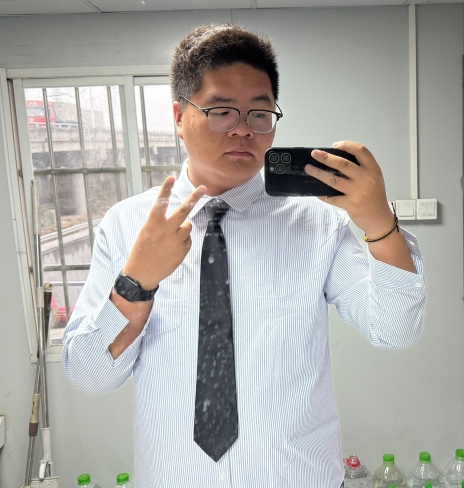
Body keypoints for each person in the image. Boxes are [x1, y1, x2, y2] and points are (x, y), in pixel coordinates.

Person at [62, 23, 426, 487]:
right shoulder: (126, 225)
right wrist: (136, 281)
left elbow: (395, 330)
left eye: (259, 112)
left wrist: (380, 224)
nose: (242, 129)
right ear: (179, 116)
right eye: (220, 111)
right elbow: (91, 375)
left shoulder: (317, 224)